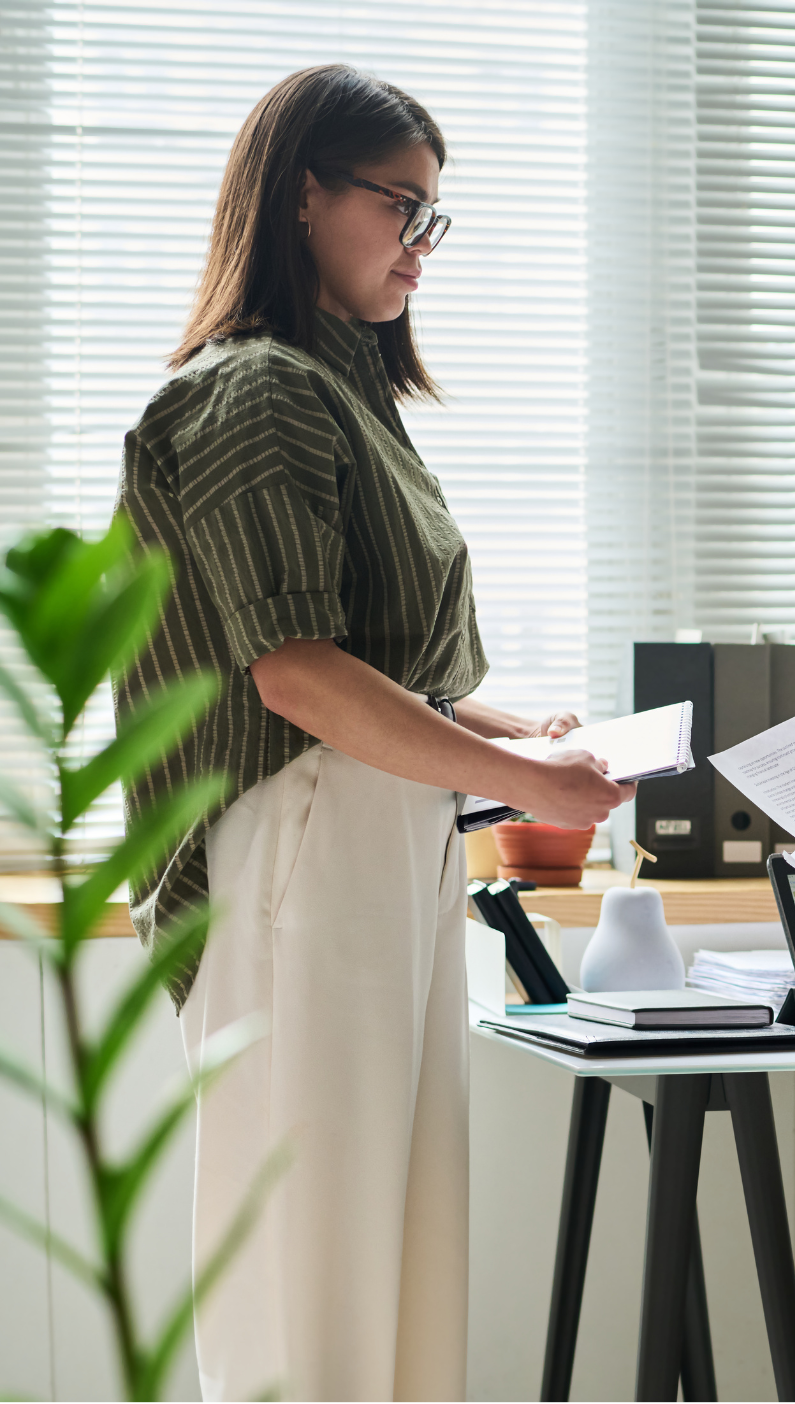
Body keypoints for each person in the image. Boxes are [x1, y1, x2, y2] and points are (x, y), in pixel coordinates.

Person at [115, 66, 631, 1400]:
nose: (419, 241)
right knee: (315, 1268)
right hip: (301, 852)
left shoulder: (344, 394)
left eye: (433, 216)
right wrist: (527, 774)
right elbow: (295, 677)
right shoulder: (256, 394)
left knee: (392, 1244)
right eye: (400, 203)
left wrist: (531, 741)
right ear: (301, 196)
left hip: (375, 845)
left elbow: (377, 669)